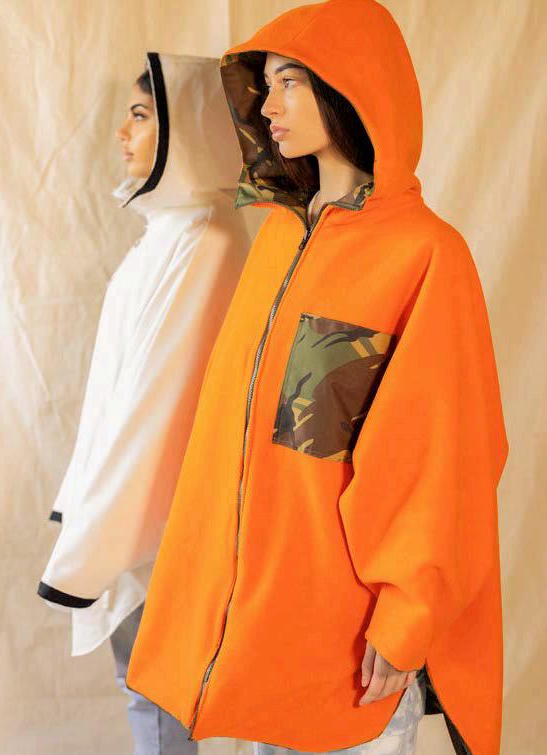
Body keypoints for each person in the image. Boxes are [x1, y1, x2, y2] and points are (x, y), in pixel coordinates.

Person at [126, 3, 509, 755]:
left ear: (351, 88)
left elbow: (447, 461)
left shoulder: (425, 255)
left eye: (290, 83)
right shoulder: (276, 236)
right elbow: (231, 441)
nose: (266, 107)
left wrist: (406, 619)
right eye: (265, 85)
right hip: (262, 634)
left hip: (351, 643)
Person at [36, 52, 250, 754]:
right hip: (132, 510)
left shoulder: (206, 241)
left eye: (140, 115)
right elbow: (117, 391)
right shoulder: (170, 234)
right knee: (147, 693)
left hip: (155, 522)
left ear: (189, 126)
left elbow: (162, 406)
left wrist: (99, 535)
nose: (122, 134)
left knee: (156, 694)